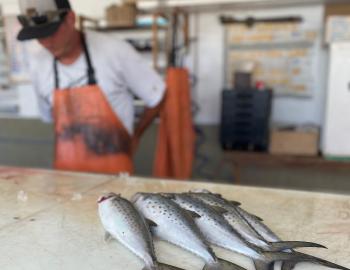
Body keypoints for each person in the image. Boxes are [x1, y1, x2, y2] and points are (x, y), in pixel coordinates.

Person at [17, 0, 166, 174]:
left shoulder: (114, 51)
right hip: (66, 176)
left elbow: (157, 95)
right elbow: (50, 116)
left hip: (115, 174)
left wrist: (136, 137)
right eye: (38, 35)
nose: (45, 42)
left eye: (51, 32)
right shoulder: (38, 65)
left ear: (70, 19)